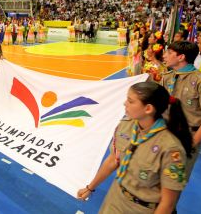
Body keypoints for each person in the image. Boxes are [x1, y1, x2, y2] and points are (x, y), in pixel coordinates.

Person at [77, 82, 193, 214]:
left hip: (142, 208)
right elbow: (113, 160)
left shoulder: (170, 149)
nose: (125, 103)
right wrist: (90, 188)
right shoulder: (127, 125)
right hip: (116, 197)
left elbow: (167, 204)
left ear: (148, 109)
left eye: (131, 101)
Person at [161, 41, 201, 178]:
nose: (165, 55)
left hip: (187, 136)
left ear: (181, 57)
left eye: (169, 53)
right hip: (165, 134)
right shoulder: (167, 78)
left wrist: (190, 145)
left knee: (172, 182)